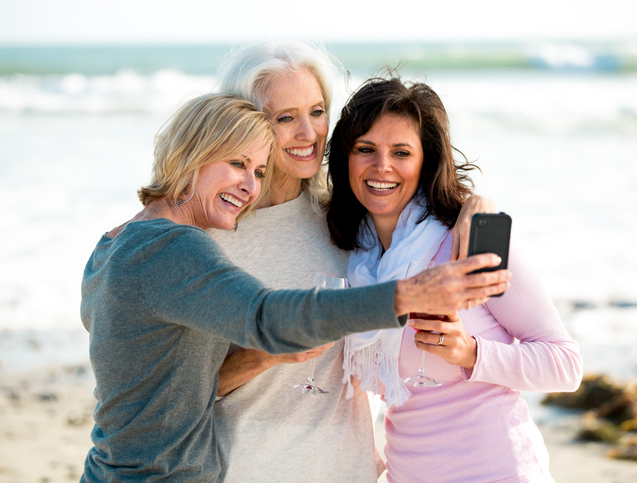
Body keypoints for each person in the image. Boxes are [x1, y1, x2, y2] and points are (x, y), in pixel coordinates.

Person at [79, 92, 511, 482]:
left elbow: (160, 381)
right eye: (236, 164)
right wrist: (410, 294)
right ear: (192, 155)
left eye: (259, 171)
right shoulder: (173, 248)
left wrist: (472, 201)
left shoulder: (114, 244)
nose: (249, 186)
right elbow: (265, 316)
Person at [210, 41, 497, 482]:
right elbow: (182, 391)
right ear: (244, 121)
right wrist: (265, 354)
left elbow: (415, 197)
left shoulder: (343, 218)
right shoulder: (213, 236)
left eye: (318, 111)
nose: (309, 134)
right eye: (285, 117)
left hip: (349, 468)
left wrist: (478, 204)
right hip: (248, 467)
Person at [326, 77, 583, 483]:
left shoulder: (468, 239)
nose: (382, 167)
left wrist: (471, 352)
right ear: (345, 157)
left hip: (498, 471)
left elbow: (565, 365)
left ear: (425, 162)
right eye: (365, 149)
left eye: (401, 152)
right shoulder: (352, 258)